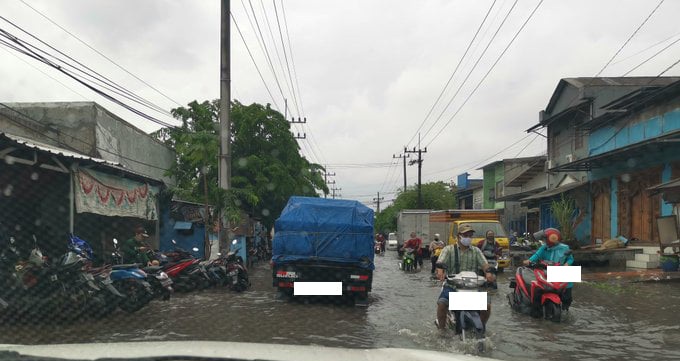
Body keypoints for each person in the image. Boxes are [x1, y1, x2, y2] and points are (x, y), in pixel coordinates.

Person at [435, 223, 495, 332]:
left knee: (487, 306)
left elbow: (485, 265)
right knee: (442, 304)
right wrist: (440, 272)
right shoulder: (448, 250)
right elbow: (440, 262)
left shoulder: (476, 251)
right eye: (465, 235)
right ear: (459, 236)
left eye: (470, 235)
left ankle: (480, 327)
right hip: (452, 287)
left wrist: (489, 273)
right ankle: (441, 330)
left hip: (472, 288)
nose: (468, 238)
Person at [522, 228, 574, 310]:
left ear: (552, 238)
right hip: (546, 270)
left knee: (567, 295)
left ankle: (565, 308)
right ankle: (536, 311)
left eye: (546, 238)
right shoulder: (544, 247)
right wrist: (529, 261)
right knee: (538, 289)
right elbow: (536, 255)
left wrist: (567, 264)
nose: (544, 240)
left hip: (561, 271)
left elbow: (571, 259)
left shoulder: (565, 248)